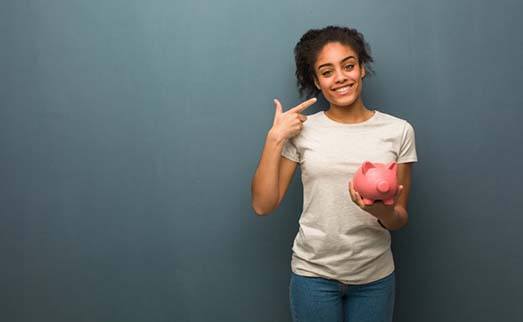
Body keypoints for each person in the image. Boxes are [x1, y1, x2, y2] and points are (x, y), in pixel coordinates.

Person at [251, 26, 417, 322]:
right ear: (316, 80)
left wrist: (381, 210)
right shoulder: (302, 131)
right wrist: (274, 138)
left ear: (362, 69)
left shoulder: (398, 131)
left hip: (374, 278)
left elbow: (399, 218)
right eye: (327, 72)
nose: (340, 77)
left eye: (348, 66)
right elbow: (263, 205)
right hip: (313, 277)